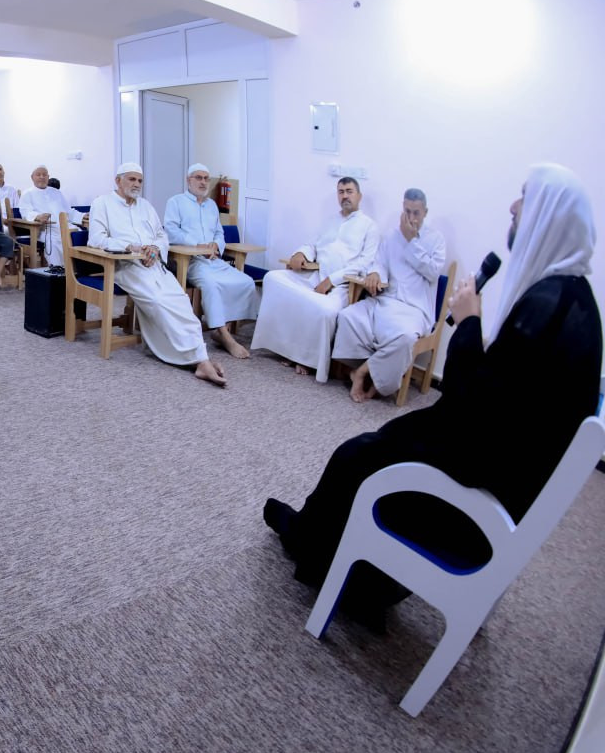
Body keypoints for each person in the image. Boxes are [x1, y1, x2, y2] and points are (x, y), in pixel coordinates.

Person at [264, 163, 601, 625]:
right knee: (382, 433)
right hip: (503, 474)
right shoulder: (573, 300)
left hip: (476, 497)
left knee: (355, 455)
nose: (512, 206)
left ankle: (316, 551)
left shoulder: (546, 307)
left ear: (550, 218)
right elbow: (503, 398)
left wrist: (470, 322)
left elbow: (470, 402)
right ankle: (365, 578)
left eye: (524, 197)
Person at [89, 163, 227, 386]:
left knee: (181, 300)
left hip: (154, 265)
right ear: (118, 180)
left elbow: (162, 236)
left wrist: (155, 248)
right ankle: (198, 360)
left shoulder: (146, 206)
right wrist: (130, 247)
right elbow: (96, 239)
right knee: (158, 301)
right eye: (132, 179)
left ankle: (200, 357)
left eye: (140, 181)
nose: (137, 184)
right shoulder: (102, 203)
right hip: (125, 266)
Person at [251, 177, 379, 380]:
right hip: (315, 277)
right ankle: (286, 350)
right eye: (341, 192)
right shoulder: (330, 221)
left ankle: (307, 359)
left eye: (349, 191)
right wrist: (300, 254)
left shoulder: (369, 226)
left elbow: (365, 263)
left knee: (326, 310)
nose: (345, 196)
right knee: (272, 278)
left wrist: (331, 281)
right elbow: (312, 244)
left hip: (343, 286)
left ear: (359, 196)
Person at [333, 188, 447, 402]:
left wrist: (412, 241)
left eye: (416, 213)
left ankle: (363, 373)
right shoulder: (392, 236)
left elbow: (432, 272)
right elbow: (380, 263)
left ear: (425, 212)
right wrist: (376, 273)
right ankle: (362, 370)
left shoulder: (436, 240)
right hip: (386, 301)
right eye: (407, 211)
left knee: (404, 338)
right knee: (349, 316)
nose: (411, 218)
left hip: (414, 309)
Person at [164, 163, 259, 359]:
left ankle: (224, 328)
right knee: (212, 285)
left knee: (245, 282)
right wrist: (197, 245)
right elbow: (171, 231)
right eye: (198, 178)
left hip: (214, 260)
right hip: (190, 261)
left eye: (206, 178)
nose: (203, 182)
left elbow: (219, 233)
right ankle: (225, 336)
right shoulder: (176, 202)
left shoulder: (212, 205)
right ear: (188, 180)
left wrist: (216, 245)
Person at [18, 165, 85, 268]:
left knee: (79, 234)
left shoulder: (56, 192)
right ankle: (58, 270)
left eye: (44, 175)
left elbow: (68, 211)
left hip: (65, 226)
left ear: (48, 177)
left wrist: (83, 216)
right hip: (45, 230)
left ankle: (78, 270)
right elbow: (25, 212)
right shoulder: (27, 194)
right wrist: (37, 216)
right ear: (32, 177)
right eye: (38, 175)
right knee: (53, 242)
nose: (41, 177)